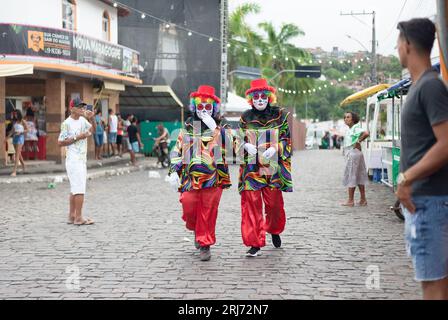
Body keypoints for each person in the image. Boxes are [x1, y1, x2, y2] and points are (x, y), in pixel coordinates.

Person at [395, 18, 448, 300]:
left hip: (428, 202)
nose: (396, 49)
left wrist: (406, 177)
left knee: (433, 285)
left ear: (408, 45)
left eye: (398, 43)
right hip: (425, 201)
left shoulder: (430, 86)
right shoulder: (421, 86)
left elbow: (446, 143)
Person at [167, 85, 233, 261]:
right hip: (190, 178)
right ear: (195, 107)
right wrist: (173, 170)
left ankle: (205, 244)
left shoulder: (222, 125)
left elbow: (235, 148)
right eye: (200, 107)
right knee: (188, 206)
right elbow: (177, 149)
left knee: (208, 210)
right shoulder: (189, 126)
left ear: (214, 108)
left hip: (214, 177)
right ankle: (196, 228)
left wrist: (216, 130)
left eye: (208, 107)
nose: (203, 111)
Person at [237, 78, 293, 257]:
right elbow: (237, 138)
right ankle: (255, 243)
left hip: (272, 167)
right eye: (256, 97)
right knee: (251, 204)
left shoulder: (280, 115)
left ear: (269, 97)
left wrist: (275, 148)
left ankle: (274, 229)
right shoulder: (245, 117)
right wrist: (245, 146)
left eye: (263, 96)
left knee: (274, 204)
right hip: (251, 168)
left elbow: (286, 139)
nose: (260, 99)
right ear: (251, 99)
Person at [58, 97, 96, 226]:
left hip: (80, 160)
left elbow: (93, 130)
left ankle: (72, 215)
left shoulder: (83, 121)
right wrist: (78, 137)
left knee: (74, 189)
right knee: (79, 189)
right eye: (79, 107)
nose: (82, 109)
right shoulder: (66, 123)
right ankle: (79, 218)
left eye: (83, 107)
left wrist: (92, 118)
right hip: (74, 160)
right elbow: (60, 142)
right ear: (71, 108)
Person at [341, 111, 369, 207]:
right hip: (356, 153)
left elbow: (366, 133)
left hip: (353, 153)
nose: (346, 119)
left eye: (348, 117)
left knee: (351, 175)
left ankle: (350, 200)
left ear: (353, 119)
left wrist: (358, 141)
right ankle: (363, 199)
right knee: (359, 175)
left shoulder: (355, 128)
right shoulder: (351, 129)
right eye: (345, 117)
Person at [10, 110, 28, 177]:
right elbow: (12, 131)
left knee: (17, 155)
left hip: (20, 138)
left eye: (16, 114)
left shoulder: (23, 121)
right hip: (14, 138)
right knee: (19, 154)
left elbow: (27, 130)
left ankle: (14, 171)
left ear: (19, 114)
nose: (15, 115)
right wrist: (6, 138)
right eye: (14, 114)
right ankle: (24, 166)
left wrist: (20, 132)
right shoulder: (14, 122)